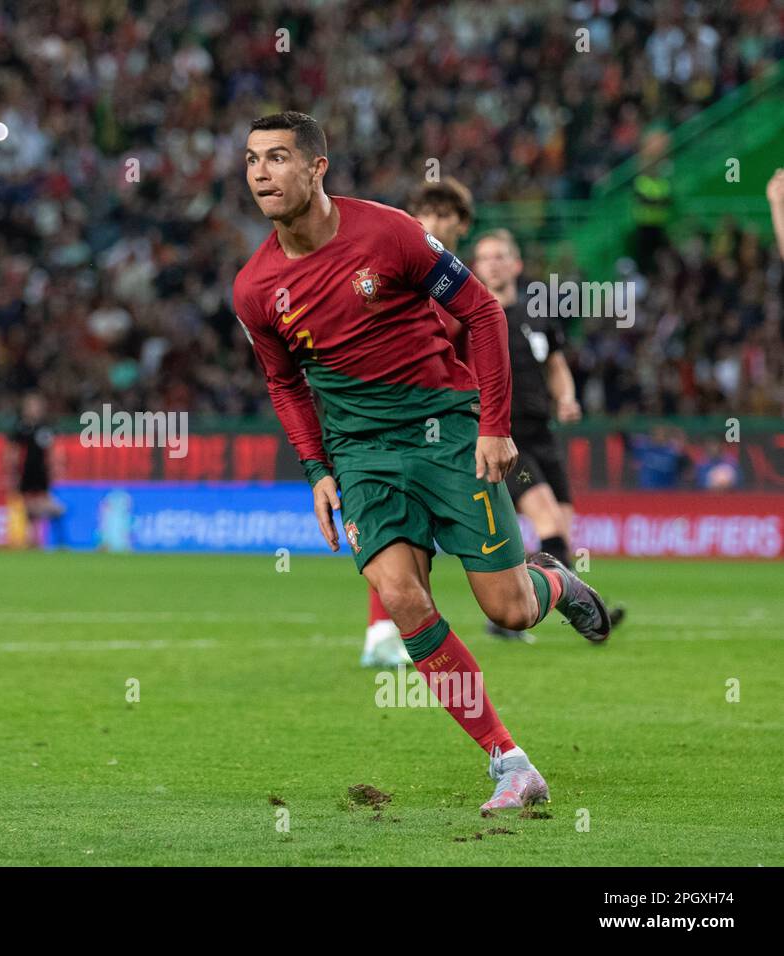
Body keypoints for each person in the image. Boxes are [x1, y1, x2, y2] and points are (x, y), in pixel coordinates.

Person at [232, 111, 611, 813]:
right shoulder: (255, 287)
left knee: (510, 608)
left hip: (446, 432)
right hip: (360, 455)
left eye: (278, 157)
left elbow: (483, 314)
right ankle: (510, 761)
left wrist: (493, 427)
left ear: (318, 168)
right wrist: (317, 471)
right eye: (252, 159)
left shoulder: (390, 233)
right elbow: (284, 384)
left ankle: (556, 585)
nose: (260, 172)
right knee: (403, 598)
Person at [470, 229, 625, 641]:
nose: (494, 263)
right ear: (476, 267)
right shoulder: (470, 318)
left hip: (542, 432)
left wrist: (568, 398)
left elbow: (555, 365)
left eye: (501, 256)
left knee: (561, 530)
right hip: (504, 436)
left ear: (516, 264)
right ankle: (588, 615)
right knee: (548, 520)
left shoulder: (537, 316)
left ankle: (509, 613)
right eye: (486, 258)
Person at [359, 177, 474, 669]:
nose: (434, 221)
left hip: (443, 429)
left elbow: (473, 363)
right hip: (383, 424)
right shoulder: (393, 273)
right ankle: (381, 631)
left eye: (445, 213)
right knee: (390, 526)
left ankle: (402, 628)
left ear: (462, 225)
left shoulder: (466, 292)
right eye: (425, 210)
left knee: (422, 534)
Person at [5, 392, 65, 548]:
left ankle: (52, 540)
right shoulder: (20, 428)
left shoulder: (45, 428)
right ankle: (31, 540)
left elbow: (53, 451)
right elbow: (13, 452)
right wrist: (12, 472)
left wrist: (55, 469)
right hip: (25, 474)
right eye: (31, 406)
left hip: (41, 474)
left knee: (45, 508)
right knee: (27, 509)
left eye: (37, 406)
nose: (34, 410)